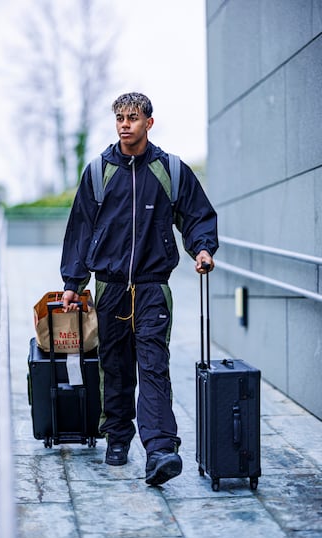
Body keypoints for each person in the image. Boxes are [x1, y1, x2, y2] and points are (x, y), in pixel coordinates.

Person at [61, 92, 218, 486]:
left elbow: (197, 214)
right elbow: (81, 229)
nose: (124, 124)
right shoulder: (99, 171)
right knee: (114, 365)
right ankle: (118, 435)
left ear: (149, 122)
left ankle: (161, 449)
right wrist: (72, 283)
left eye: (132, 117)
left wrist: (202, 249)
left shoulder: (171, 170)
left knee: (153, 366)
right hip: (109, 287)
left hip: (152, 287)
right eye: (119, 117)